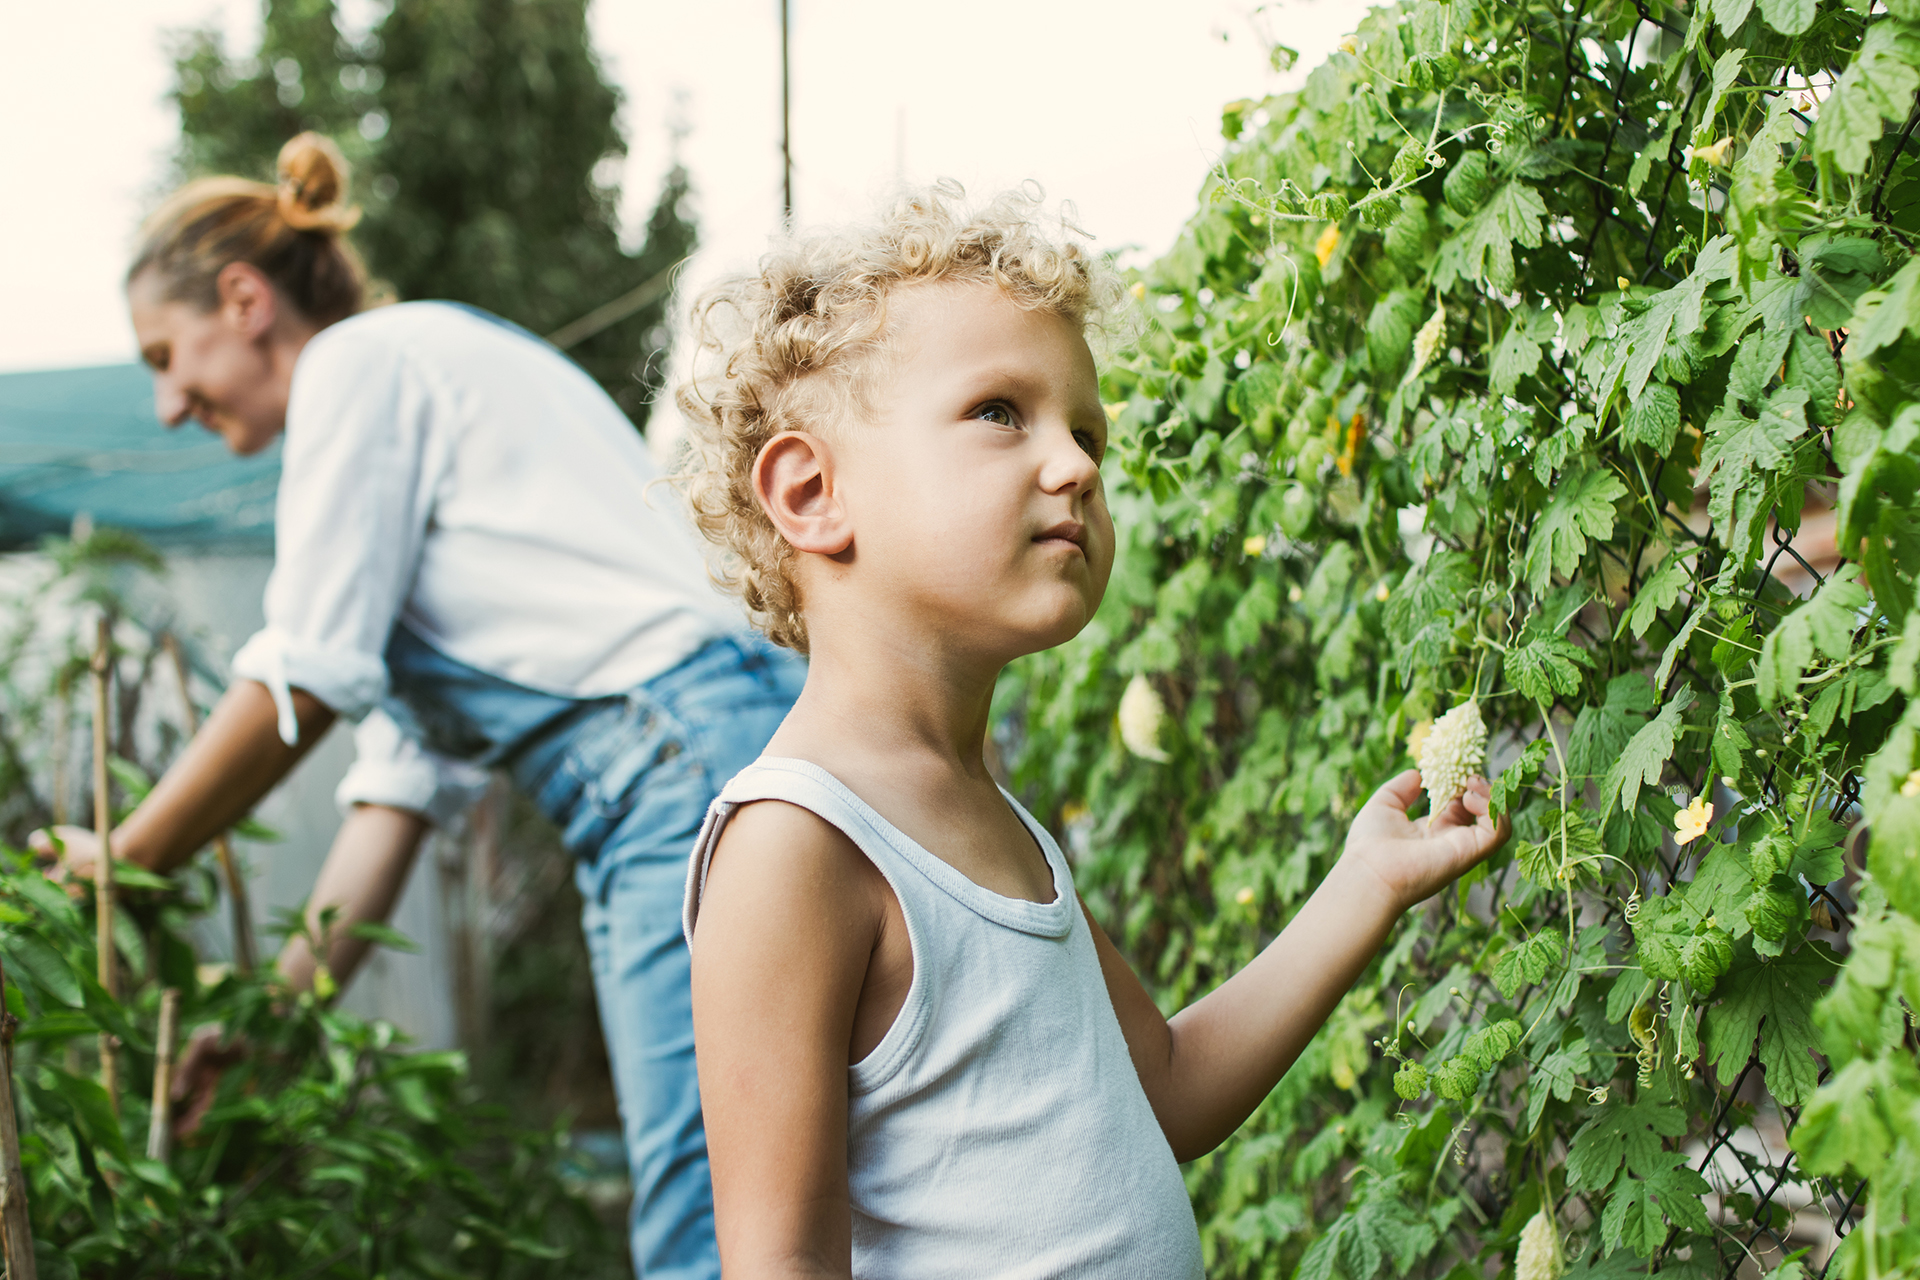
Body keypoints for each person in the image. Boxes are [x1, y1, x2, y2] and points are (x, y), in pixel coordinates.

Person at [673, 184, 1510, 1278]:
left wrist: (1367, 882)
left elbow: (1160, 1083)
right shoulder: (796, 845)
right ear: (813, 490)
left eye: (1086, 431)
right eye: (999, 412)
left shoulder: (994, 817)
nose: (1075, 465)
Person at [32, 132, 797, 1280]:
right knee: (801, 1180)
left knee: (715, 1221)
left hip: (682, 767)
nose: (166, 400)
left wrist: (126, 850)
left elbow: (307, 667)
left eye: (165, 353)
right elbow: (391, 803)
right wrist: (270, 1032)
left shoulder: (360, 368)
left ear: (242, 299)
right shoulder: (417, 436)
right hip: (715, 745)